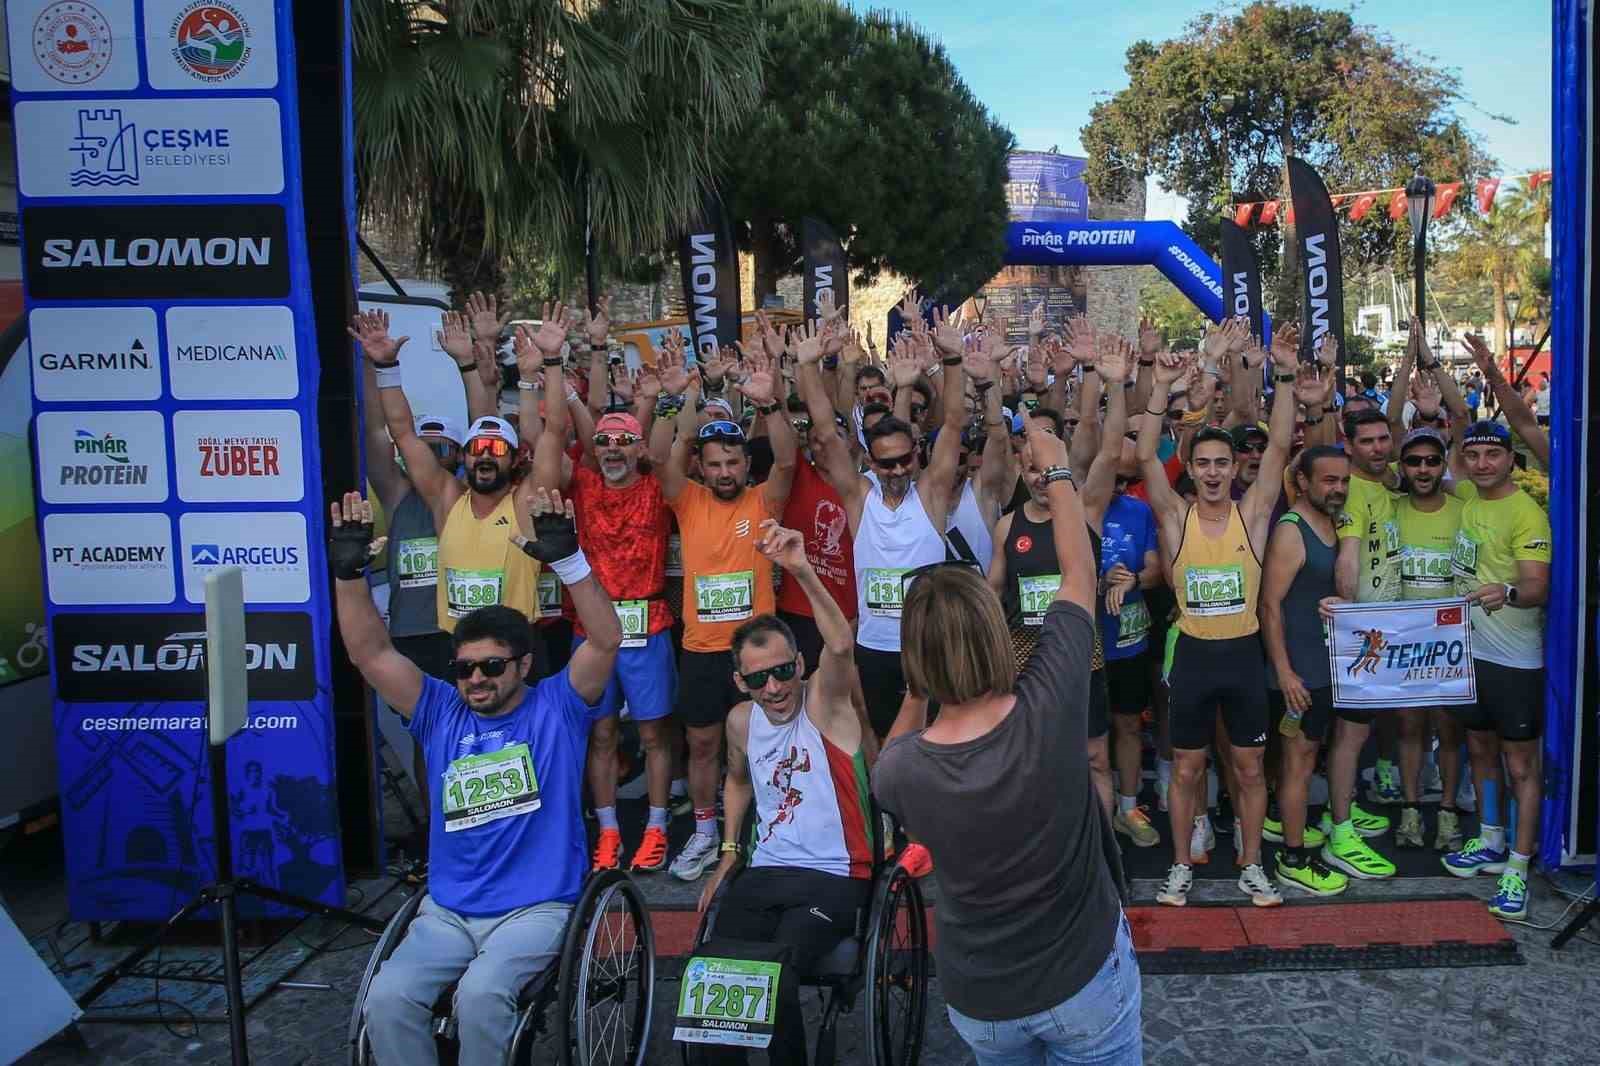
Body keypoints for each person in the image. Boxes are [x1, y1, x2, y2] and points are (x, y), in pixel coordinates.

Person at [874, 418, 1141, 1066]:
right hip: (1082, 980)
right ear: (994, 632)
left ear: (917, 660)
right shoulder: (1048, 707)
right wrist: (1056, 472)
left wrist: (916, 682)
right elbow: (1079, 573)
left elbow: (888, 754)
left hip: (983, 1000)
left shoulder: (902, 770)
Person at [335, 488, 621, 1066]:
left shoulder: (557, 708)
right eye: (464, 668)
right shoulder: (440, 710)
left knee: (482, 996)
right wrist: (348, 576)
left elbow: (606, 639)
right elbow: (371, 655)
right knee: (386, 999)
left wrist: (570, 563)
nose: (476, 679)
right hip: (449, 910)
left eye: (492, 666)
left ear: (522, 664)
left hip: (536, 908)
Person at [693, 523, 872, 1066]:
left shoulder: (823, 706)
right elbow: (739, 781)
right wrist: (728, 854)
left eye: (780, 672)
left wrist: (799, 569)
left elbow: (840, 643)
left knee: (771, 976)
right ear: (740, 682)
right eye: (757, 680)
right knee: (714, 974)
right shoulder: (741, 722)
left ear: (798, 665)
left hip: (834, 874)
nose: (772, 688)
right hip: (766, 870)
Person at [1136, 330, 1302, 908]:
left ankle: (1252, 864)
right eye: (1201, 463)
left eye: (1221, 463)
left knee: (1252, 770)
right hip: (1195, 659)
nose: (1211, 473)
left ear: (1236, 468)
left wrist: (1282, 377)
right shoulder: (1175, 519)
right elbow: (1143, 458)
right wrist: (1159, 390)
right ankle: (1181, 866)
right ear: (1191, 467)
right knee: (1186, 772)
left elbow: (1279, 449)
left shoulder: (1252, 515)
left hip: (1241, 658)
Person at [529, 297, 678, 875]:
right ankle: (610, 831)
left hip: (647, 627)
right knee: (600, 735)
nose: (614, 449)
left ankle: (659, 827)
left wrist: (666, 397)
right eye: (606, 442)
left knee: (655, 734)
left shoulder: (653, 484)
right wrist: (552, 364)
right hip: (591, 630)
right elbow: (563, 429)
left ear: (638, 449)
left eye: (625, 442)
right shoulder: (582, 484)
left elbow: (667, 437)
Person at [658, 343, 799, 882]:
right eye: (714, 464)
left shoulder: (762, 500)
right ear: (702, 466)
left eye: (733, 462)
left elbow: (786, 459)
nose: (723, 471)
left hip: (757, 651)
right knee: (701, 743)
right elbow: (669, 456)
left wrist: (769, 406)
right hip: (701, 649)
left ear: (745, 464)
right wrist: (689, 399)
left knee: (761, 741)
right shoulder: (686, 498)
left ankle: (767, 826)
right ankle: (703, 829)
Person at [796, 301, 967, 741]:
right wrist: (809, 365)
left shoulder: (929, 495)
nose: (896, 471)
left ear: (916, 455)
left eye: (905, 460)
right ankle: (885, 809)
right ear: (871, 461)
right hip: (874, 647)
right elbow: (825, 430)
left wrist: (952, 359)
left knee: (933, 739)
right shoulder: (859, 496)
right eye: (886, 464)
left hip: (927, 648)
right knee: (878, 735)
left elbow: (952, 424)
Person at [349, 309, 545, 636]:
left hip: (497, 642)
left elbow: (502, 430)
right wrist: (382, 366)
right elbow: (396, 432)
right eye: (425, 449)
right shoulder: (424, 497)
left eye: (440, 449)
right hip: (431, 638)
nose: (428, 456)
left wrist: (515, 375)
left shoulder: (489, 496)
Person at [1443, 421, 1552, 921]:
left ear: (1511, 458)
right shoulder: (1466, 495)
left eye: (1493, 454)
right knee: (1480, 749)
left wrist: (1505, 593)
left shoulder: (1526, 512)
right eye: (1474, 455)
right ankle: (1489, 839)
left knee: (1521, 766)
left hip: (1514, 661)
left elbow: (1537, 587)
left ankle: (1518, 864)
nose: (1482, 463)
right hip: (1471, 655)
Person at [1258, 446, 1351, 897]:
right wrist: (1285, 673)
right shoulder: (1292, 530)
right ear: (1306, 482)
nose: (1337, 488)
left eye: (1343, 481)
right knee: (1299, 762)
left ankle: (1292, 833)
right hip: (1298, 672)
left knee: (1307, 759)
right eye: (1329, 481)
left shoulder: (1331, 522)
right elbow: (1269, 606)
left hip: (1322, 665)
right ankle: (1293, 858)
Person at [1392, 427, 1466, 851]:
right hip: (1404, 638)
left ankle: (1450, 813)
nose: (1423, 469)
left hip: (1452, 639)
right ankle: (1410, 810)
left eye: (1431, 461)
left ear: (1443, 466)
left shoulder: (1462, 509)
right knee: (1409, 727)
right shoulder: (1392, 506)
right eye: (1414, 461)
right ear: (1401, 467)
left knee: (1450, 729)